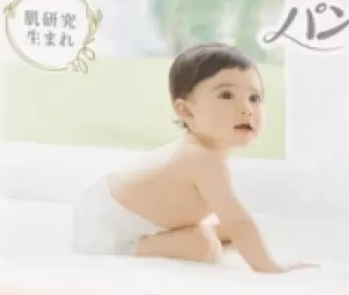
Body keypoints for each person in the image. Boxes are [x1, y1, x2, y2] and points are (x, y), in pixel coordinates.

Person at [72, 43, 313, 272]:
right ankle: (133, 248)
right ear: (186, 111)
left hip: (105, 207)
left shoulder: (203, 153)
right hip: (106, 231)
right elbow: (239, 222)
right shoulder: (201, 160)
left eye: (255, 98)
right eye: (226, 95)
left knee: (224, 231)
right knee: (205, 247)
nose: (246, 109)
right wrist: (271, 268)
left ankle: (177, 237)